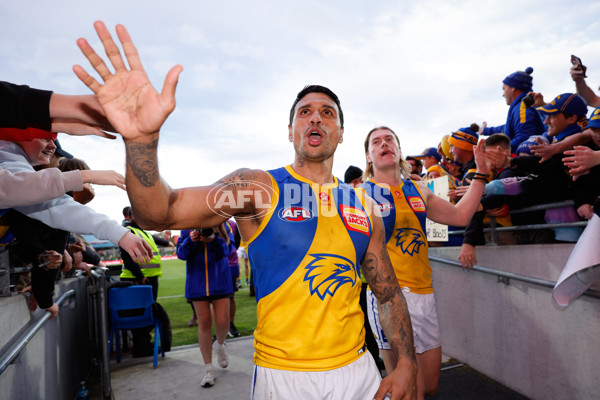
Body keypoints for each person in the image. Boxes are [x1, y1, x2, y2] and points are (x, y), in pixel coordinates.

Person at [74, 21, 417, 400]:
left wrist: (406, 364)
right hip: (284, 378)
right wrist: (140, 141)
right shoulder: (258, 189)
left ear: (340, 132)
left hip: (358, 372)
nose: (316, 118)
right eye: (305, 112)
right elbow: (161, 213)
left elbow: (387, 294)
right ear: (290, 131)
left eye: (327, 112)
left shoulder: (363, 206)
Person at [360, 126, 491, 400]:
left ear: (398, 150)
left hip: (424, 293)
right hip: (389, 297)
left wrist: (480, 173)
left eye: (389, 139)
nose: (384, 144)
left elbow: (460, 216)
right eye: (376, 141)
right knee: (412, 389)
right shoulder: (362, 195)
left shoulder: (418, 190)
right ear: (369, 156)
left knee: (429, 385)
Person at [177, 226, 234, 387]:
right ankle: (208, 369)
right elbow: (181, 254)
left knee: (223, 321)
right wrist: (190, 240)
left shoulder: (223, 225)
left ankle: (220, 345)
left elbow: (228, 250)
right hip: (197, 283)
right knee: (204, 323)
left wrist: (214, 239)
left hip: (220, 281)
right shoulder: (186, 227)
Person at [480, 67, 545, 152]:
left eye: (504, 89)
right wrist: (486, 130)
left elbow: (524, 137)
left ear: (513, 88)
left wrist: (499, 152)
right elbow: (510, 127)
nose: (503, 94)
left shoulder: (522, 107)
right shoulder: (523, 105)